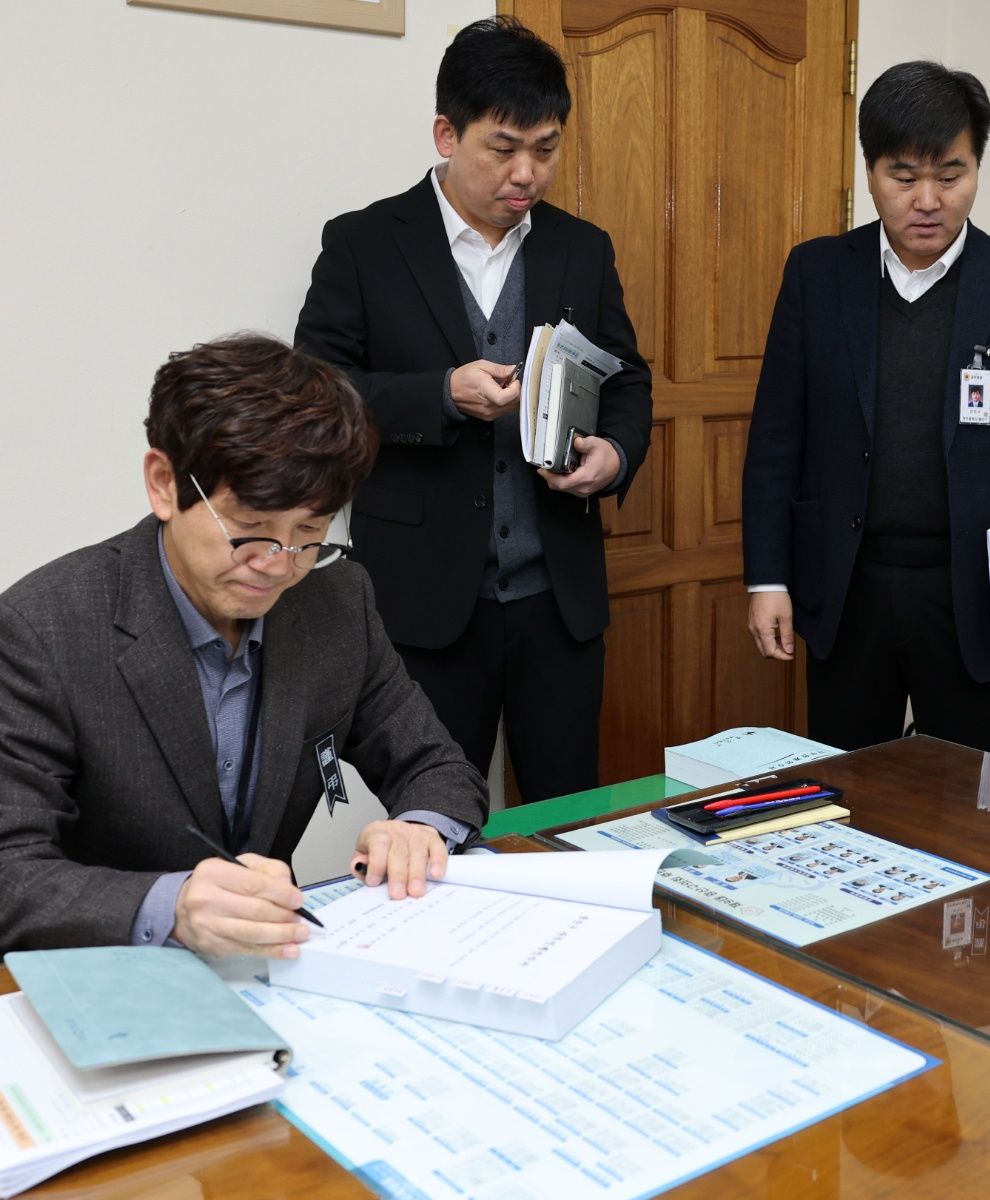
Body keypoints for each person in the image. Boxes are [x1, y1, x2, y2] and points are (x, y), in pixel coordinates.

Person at [0, 335, 490, 957]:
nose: (279, 566)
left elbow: (437, 766)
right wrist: (170, 906)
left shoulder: (335, 600)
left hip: (275, 971)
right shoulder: (41, 629)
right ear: (163, 483)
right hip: (104, 976)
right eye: (250, 530)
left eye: (309, 532)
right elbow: (10, 871)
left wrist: (420, 828)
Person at [295, 17, 651, 801]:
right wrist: (438, 395)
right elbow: (315, 394)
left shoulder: (581, 248)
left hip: (557, 603)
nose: (527, 173)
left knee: (567, 817)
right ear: (447, 134)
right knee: (433, 826)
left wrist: (615, 456)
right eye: (504, 147)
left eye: (546, 148)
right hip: (423, 607)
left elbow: (627, 381)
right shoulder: (363, 244)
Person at [742, 61, 990, 756]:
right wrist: (768, 579)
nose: (928, 199)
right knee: (845, 790)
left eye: (951, 176)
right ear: (871, 170)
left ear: (977, 169)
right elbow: (777, 441)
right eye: (904, 178)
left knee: (969, 800)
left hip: (971, 595)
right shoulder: (816, 275)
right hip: (847, 587)